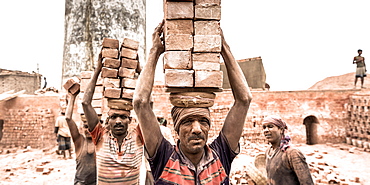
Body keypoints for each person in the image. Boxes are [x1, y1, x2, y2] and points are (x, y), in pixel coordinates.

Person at [133, 21, 252, 184]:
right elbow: (140, 103)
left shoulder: (221, 154)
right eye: (188, 121)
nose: (197, 129)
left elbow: (244, 100)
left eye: (203, 121)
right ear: (176, 127)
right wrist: (155, 51)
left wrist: (223, 48)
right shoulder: (164, 156)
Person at [82, 50, 144, 184]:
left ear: (130, 120)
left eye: (123, 117)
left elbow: (147, 104)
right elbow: (85, 103)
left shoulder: (139, 137)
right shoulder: (100, 136)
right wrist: (98, 69)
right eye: (114, 117)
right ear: (108, 120)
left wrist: (140, 71)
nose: (118, 121)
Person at [262, 116, 314, 185]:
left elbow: (307, 183)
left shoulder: (292, 153)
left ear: (281, 130)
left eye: (270, 126)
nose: (266, 130)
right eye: (264, 127)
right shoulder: (268, 152)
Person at [65, 91, 97, 185]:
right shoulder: (79, 141)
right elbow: (68, 118)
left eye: (90, 127)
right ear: (82, 127)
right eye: (85, 126)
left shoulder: (100, 141)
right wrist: (72, 97)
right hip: (80, 183)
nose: (88, 130)